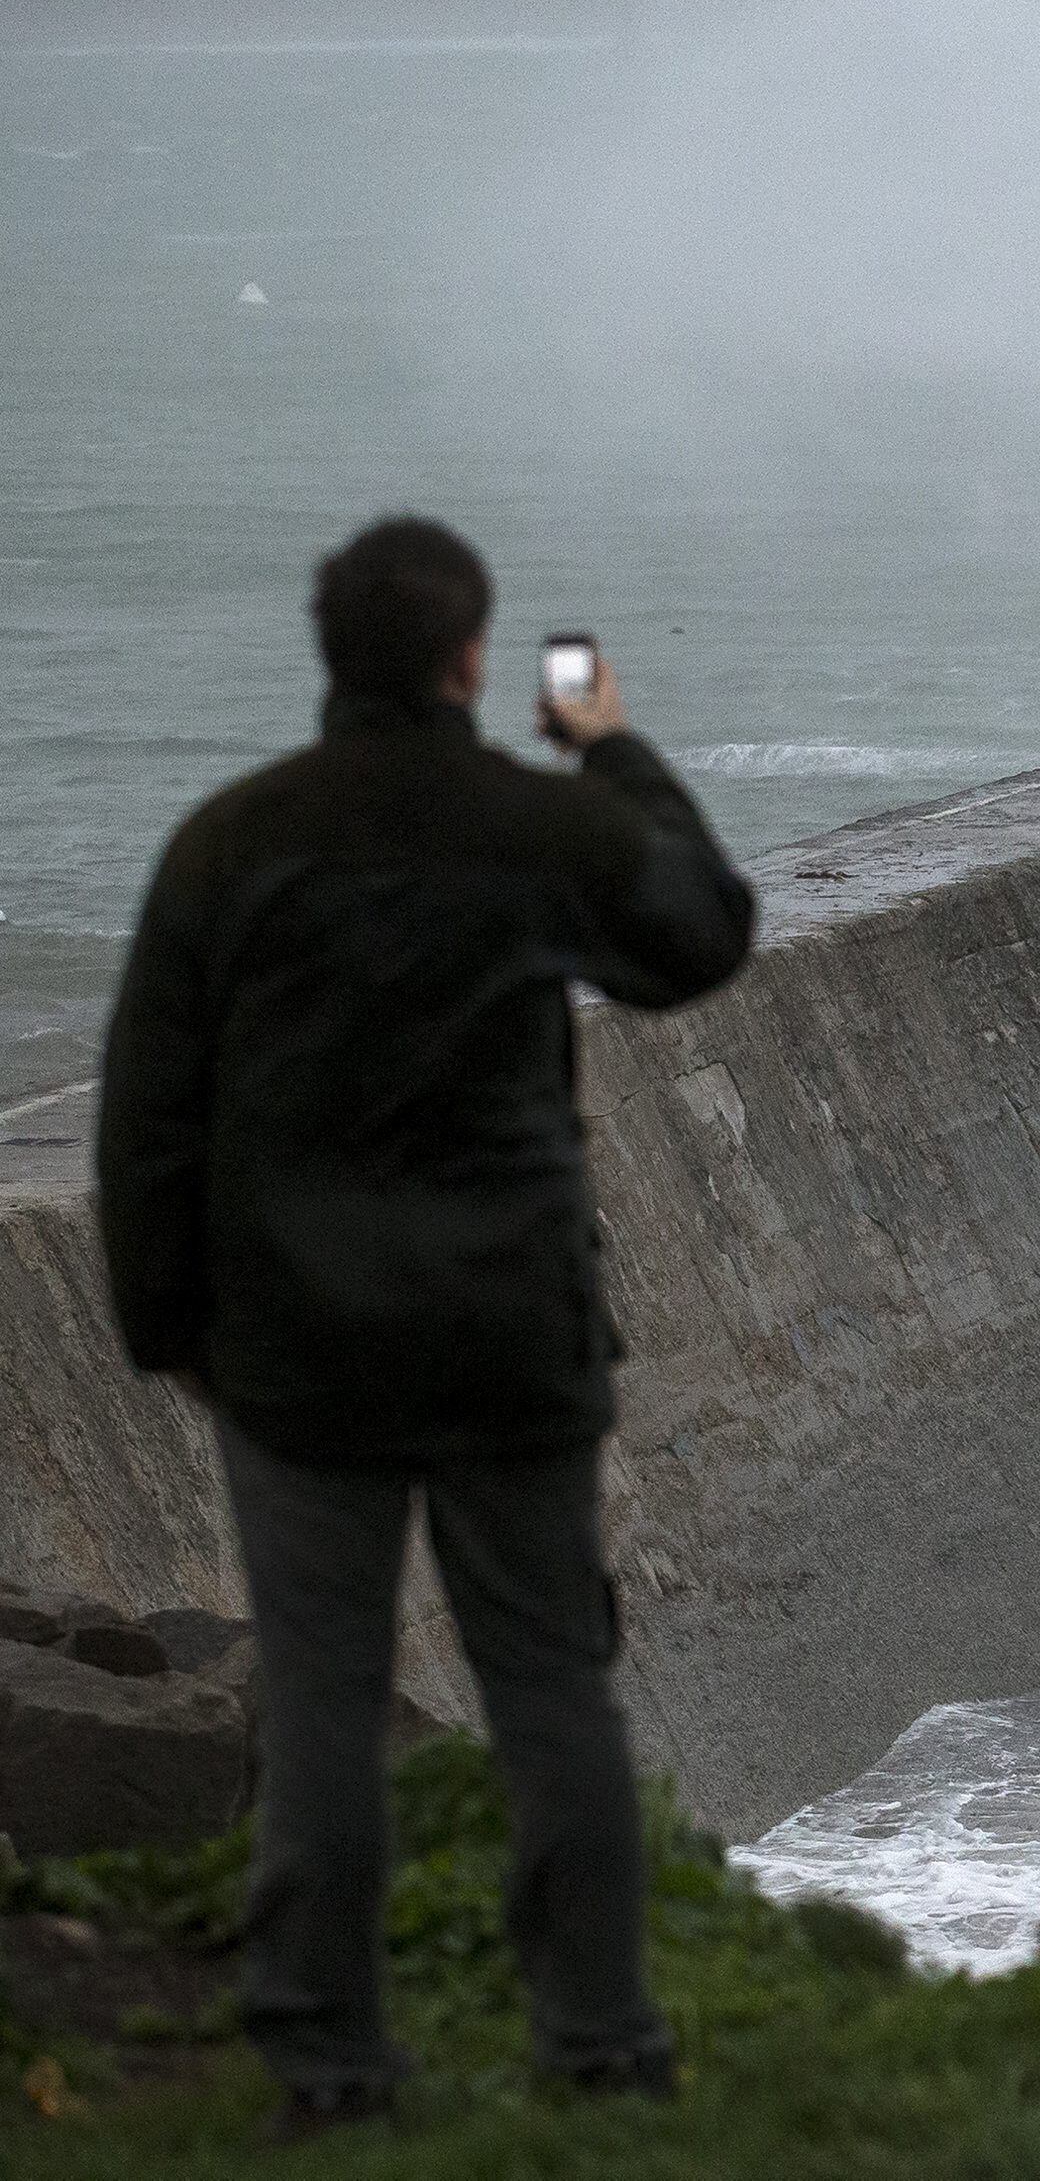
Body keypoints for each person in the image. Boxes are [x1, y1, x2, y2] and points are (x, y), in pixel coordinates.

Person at [91, 515, 756, 2135]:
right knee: (551, 1693)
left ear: (331, 654)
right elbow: (701, 932)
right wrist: (614, 752)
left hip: (298, 1355)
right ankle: (600, 2048)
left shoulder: (231, 846)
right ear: (472, 659)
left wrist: (171, 1333)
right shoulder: (533, 826)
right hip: (508, 1341)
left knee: (322, 1703)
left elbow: (147, 1118)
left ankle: (328, 2066)